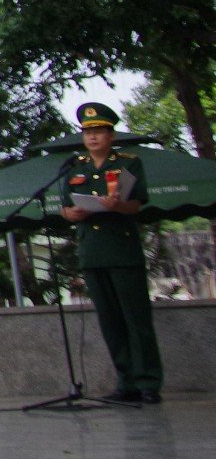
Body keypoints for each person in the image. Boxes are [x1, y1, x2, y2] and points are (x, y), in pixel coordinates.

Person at [61, 100, 161, 404]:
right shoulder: (75, 166)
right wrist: (73, 214)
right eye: (88, 132)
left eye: (99, 131)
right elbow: (65, 208)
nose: (93, 137)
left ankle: (148, 382)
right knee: (110, 321)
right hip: (92, 252)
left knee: (135, 319)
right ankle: (125, 381)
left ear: (111, 135)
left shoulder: (128, 163)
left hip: (122, 249)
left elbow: (136, 205)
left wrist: (117, 205)